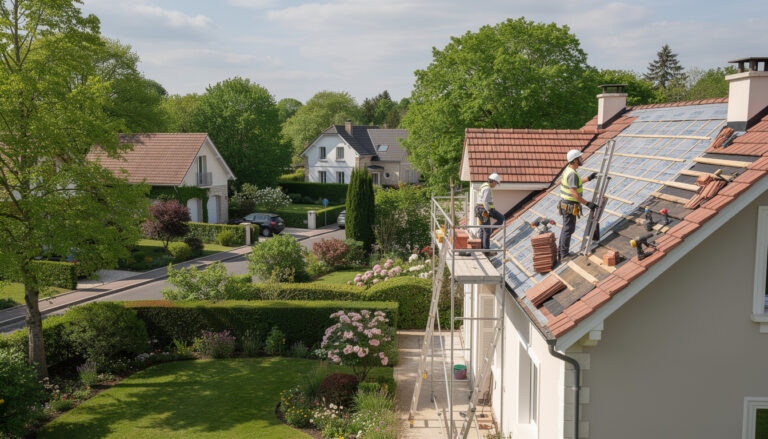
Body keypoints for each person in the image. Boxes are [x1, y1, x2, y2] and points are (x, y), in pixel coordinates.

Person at [558, 150, 599, 261]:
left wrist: (588, 178)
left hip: (566, 204)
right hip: (570, 204)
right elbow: (574, 193)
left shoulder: (569, 170)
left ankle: (561, 253)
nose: (582, 159)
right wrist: (587, 204)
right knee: (568, 229)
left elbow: (575, 183)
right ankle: (564, 255)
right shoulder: (572, 174)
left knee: (566, 228)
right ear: (575, 160)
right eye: (580, 158)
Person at [476, 173, 505, 251]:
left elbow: (487, 201)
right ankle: (486, 249)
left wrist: (490, 209)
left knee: (484, 228)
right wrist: (489, 211)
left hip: (482, 209)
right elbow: (485, 201)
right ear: (493, 181)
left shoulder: (485, 185)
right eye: (496, 183)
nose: (496, 185)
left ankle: (481, 247)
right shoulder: (487, 188)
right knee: (487, 229)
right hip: (484, 210)